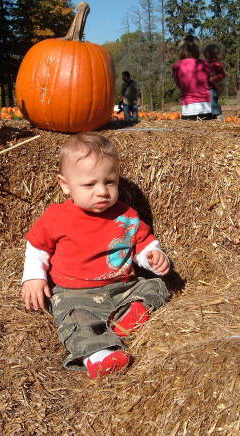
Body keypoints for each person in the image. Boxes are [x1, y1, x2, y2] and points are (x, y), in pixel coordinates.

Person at [21, 132, 170, 379]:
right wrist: (34, 277)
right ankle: (99, 355)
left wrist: (152, 256)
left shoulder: (126, 215)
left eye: (109, 182)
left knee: (156, 287)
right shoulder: (57, 217)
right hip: (76, 294)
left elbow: (142, 243)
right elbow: (38, 247)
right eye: (90, 185)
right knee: (75, 322)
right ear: (65, 184)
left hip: (123, 287)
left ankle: (128, 317)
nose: (102, 191)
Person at [172, 35, 213, 120]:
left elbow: (179, 84)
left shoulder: (176, 66)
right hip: (207, 109)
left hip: (188, 111)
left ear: (181, 50)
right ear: (197, 49)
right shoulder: (206, 64)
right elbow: (210, 82)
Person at [203, 44, 226, 119]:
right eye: (205, 54)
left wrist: (215, 78)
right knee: (206, 101)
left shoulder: (217, 64)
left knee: (213, 98)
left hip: (212, 86)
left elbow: (223, 75)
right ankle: (209, 114)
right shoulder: (203, 63)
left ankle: (218, 113)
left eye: (208, 54)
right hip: (203, 87)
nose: (206, 56)